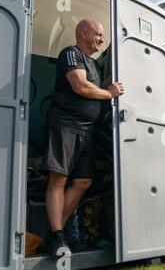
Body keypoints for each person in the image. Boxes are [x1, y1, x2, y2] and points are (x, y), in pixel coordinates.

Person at [41, 19, 124, 257]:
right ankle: (58, 235)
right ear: (84, 32)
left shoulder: (95, 66)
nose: (101, 39)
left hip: (87, 130)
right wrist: (108, 93)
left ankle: (53, 234)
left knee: (83, 182)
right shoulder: (71, 53)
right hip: (65, 124)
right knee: (59, 178)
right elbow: (80, 86)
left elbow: (97, 86)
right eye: (98, 34)